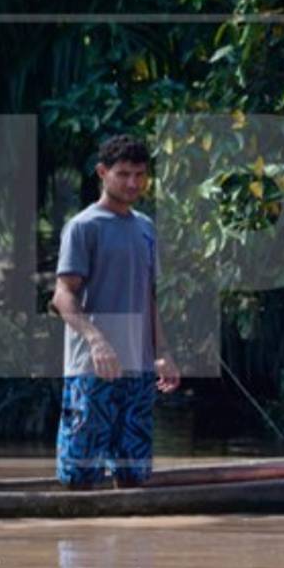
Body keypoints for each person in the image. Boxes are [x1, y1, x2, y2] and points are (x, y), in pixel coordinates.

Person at [51, 134, 181, 488]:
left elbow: (148, 297)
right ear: (102, 172)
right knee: (81, 476)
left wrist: (162, 352)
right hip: (93, 368)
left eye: (140, 175)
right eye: (123, 174)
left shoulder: (145, 228)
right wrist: (96, 341)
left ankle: (129, 544)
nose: (133, 183)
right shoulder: (83, 226)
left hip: (137, 368)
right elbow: (62, 296)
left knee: (134, 475)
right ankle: (75, 543)